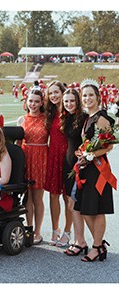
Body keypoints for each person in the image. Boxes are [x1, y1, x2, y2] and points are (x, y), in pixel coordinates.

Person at [74, 80, 116, 262]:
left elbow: (108, 147)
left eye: (91, 95)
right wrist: (84, 155)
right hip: (87, 168)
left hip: (98, 169)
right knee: (85, 209)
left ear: (98, 97)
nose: (87, 98)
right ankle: (99, 243)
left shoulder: (101, 118)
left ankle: (97, 247)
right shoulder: (88, 118)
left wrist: (90, 156)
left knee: (97, 210)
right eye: (84, 95)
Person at [17, 89, 49, 244]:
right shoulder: (21, 120)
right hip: (26, 157)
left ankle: (38, 231)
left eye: (36, 101)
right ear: (26, 101)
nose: (33, 104)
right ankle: (28, 229)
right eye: (30, 101)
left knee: (38, 198)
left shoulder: (46, 119)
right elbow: (17, 145)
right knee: (27, 197)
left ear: (42, 102)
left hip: (41, 158)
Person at [60, 88, 89, 256]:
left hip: (78, 166)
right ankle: (79, 240)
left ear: (77, 101)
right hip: (68, 165)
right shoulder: (67, 117)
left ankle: (81, 241)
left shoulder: (84, 118)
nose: (69, 104)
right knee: (72, 205)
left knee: (75, 204)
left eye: (72, 101)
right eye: (66, 101)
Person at [44, 80, 71, 246]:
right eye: (51, 93)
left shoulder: (71, 112)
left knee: (68, 197)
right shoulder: (50, 113)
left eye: (56, 92)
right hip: (53, 156)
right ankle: (55, 230)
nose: (53, 96)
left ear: (63, 93)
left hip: (67, 156)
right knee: (53, 195)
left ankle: (68, 232)